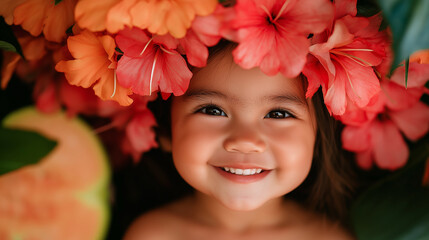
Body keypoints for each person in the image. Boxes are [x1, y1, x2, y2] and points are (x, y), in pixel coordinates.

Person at [123, 42, 356, 240]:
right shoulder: (152, 235)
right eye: (212, 111)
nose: (245, 141)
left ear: (318, 136)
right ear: (165, 131)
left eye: (278, 114)